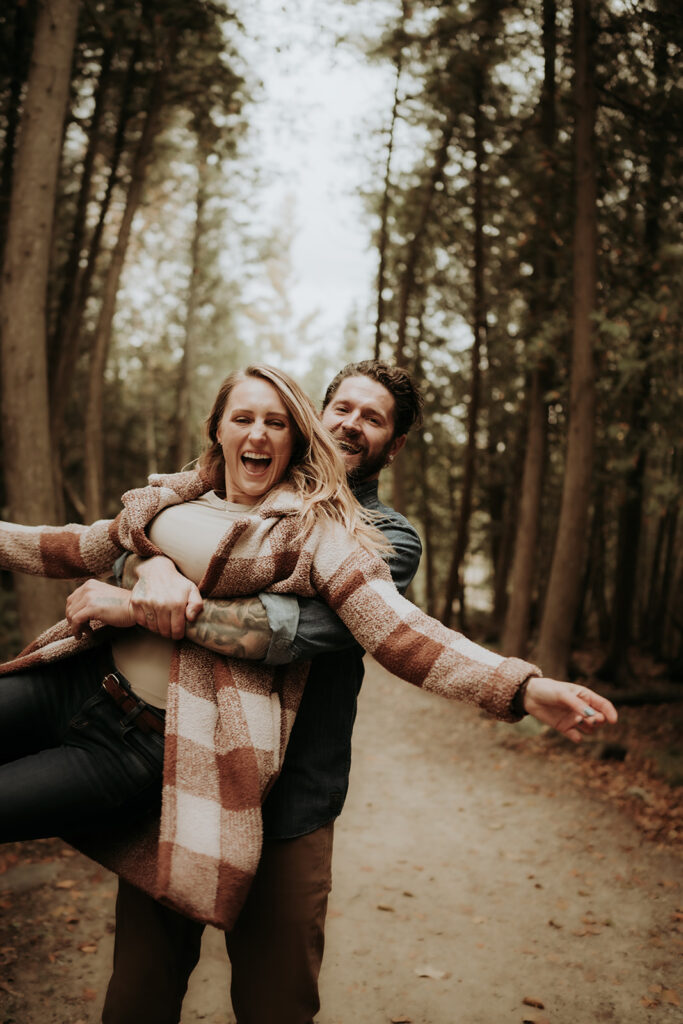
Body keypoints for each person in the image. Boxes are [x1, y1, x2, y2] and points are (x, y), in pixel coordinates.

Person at [0, 362, 615, 1023]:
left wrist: (519, 687)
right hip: (183, 767)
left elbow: (326, 630)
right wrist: (148, 564)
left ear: (395, 443)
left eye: (372, 417)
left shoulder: (371, 536)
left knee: (276, 1000)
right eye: (340, 408)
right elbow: (125, 538)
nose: (350, 423)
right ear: (314, 419)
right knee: (141, 990)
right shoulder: (215, 489)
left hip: (291, 798)